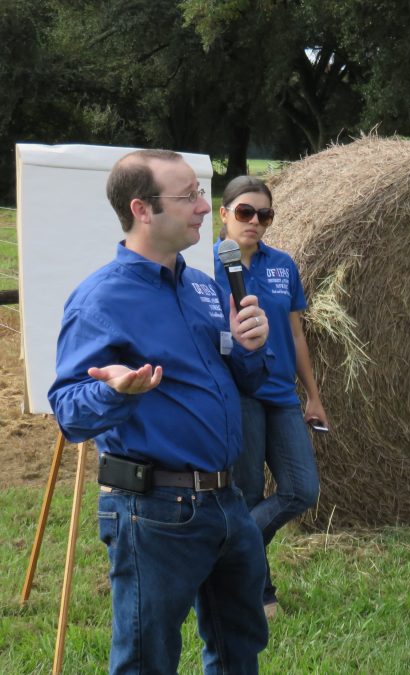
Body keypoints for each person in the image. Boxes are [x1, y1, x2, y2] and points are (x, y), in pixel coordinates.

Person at [48, 149, 273, 674]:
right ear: (142, 210)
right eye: (189, 195)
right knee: (147, 660)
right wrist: (117, 392)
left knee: (239, 647)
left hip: (227, 500)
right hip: (155, 510)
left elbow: (240, 381)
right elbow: (69, 413)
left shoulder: (202, 287)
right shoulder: (100, 301)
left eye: (200, 193)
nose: (203, 206)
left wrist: (250, 349)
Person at [214, 175, 325, 618]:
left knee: (302, 489)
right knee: (247, 492)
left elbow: (297, 334)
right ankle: (260, 593)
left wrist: (313, 395)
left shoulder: (283, 265)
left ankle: (225, 549)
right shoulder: (204, 270)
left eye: (264, 215)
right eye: (245, 212)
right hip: (238, 393)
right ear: (224, 214)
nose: (255, 222)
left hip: (280, 393)